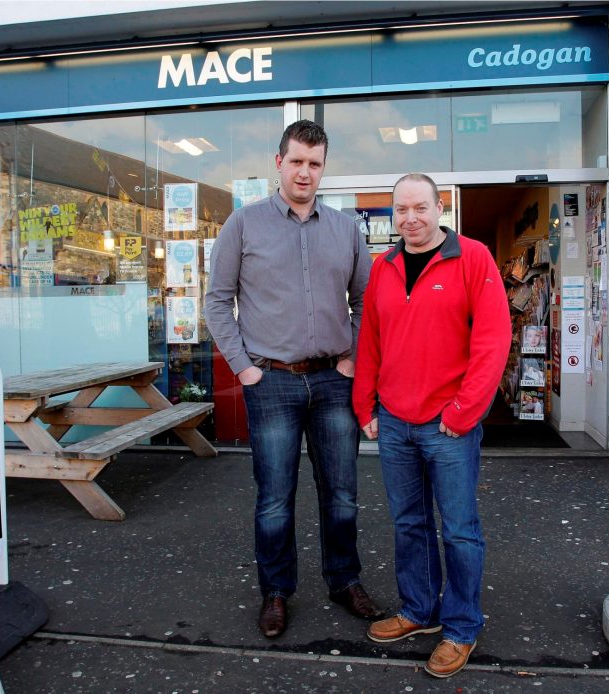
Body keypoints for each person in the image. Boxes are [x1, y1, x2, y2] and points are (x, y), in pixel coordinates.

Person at [205, 120, 381, 639]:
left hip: (332, 381)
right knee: (275, 498)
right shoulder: (243, 224)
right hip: (272, 383)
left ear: (323, 168)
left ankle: (344, 580)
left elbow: (366, 302)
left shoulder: (346, 229)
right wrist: (245, 368)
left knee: (342, 492)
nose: (305, 172)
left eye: (315, 163)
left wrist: (349, 359)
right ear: (278, 162)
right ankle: (276, 592)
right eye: (297, 161)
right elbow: (217, 302)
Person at [352, 173, 511, 678]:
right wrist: (366, 406)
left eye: (421, 207)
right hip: (395, 421)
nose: (411, 218)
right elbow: (372, 339)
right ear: (392, 214)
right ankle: (418, 610)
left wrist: (464, 412)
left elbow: (492, 342)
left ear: (440, 208)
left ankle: (461, 626)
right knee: (409, 523)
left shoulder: (474, 259)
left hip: (449, 424)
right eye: (401, 210)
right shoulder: (385, 267)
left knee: (460, 531)